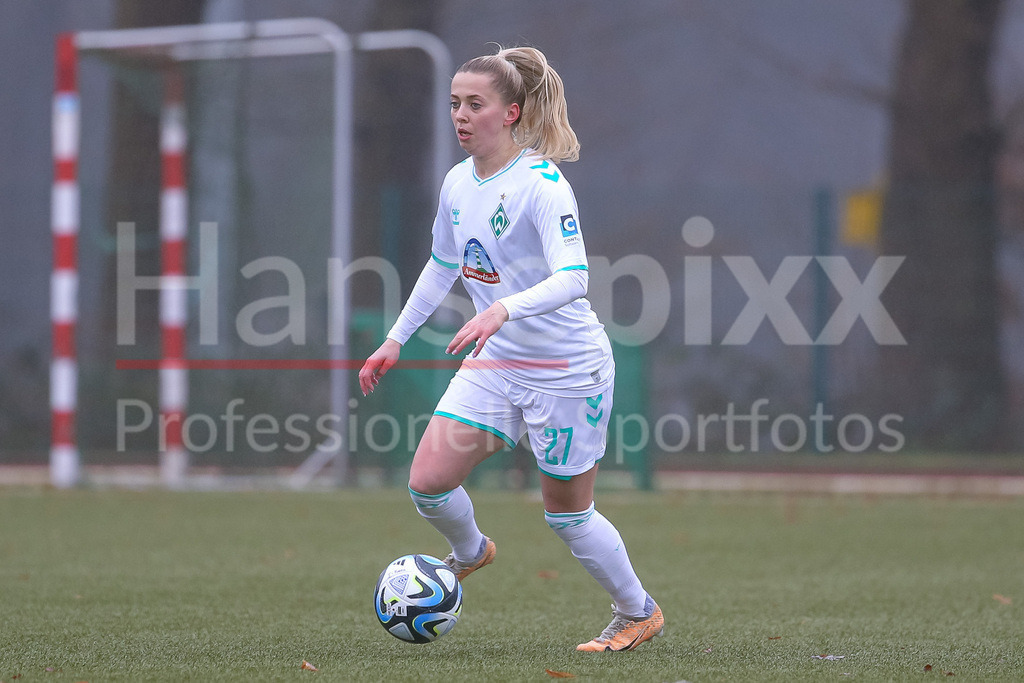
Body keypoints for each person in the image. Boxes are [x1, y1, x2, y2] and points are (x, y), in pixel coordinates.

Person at [359, 45, 664, 652]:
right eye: (455, 104)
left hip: (565, 369)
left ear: (512, 112)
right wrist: (395, 339)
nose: (461, 115)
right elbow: (442, 264)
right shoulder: (457, 182)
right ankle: (471, 552)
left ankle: (637, 612)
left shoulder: (542, 186)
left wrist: (502, 308)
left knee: (567, 515)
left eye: (475, 104)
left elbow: (575, 278)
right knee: (427, 482)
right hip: (498, 363)